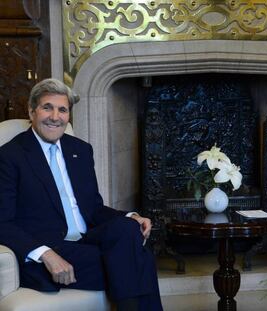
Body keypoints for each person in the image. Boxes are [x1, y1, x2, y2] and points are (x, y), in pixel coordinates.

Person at [0, 78, 163, 310]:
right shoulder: (9, 156)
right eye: (47, 107)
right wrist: (46, 254)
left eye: (62, 110)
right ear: (32, 111)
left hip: (86, 242)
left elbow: (94, 209)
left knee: (127, 228)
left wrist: (132, 217)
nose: (55, 117)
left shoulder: (80, 150)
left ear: (68, 116)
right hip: (51, 249)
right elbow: (2, 222)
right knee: (140, 259)